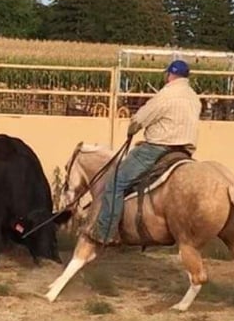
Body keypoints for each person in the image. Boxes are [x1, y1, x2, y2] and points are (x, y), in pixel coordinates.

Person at [86, 59, 201, 246]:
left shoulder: (166, 94)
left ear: (170, 75)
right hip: (183, 152)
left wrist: (132, 128)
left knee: (115, 181)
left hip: (156, 149)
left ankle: (105, 232)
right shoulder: (193, 97)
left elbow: (141, 118)